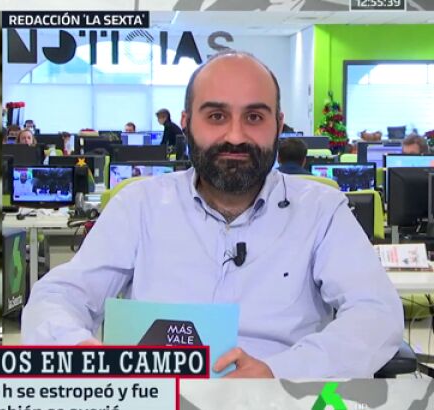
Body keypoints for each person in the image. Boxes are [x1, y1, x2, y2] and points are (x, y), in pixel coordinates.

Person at [21, 50, 403, 379]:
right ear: (187, 123)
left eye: (254, 117)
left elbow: (376, 314)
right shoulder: (139, 205)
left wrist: (280, 371)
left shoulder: (322, 210)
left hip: (279, 407)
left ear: (278, 124)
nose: (235, 136)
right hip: (156, 405)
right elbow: (58, 296)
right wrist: (79, 349)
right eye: (217, 116)